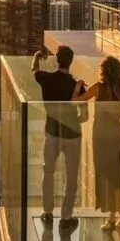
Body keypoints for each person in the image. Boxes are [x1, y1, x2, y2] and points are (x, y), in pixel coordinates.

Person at [72, 56, 120, 231]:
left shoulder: (98, 88)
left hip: (101, 137)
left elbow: (77, 101)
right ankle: (116, 217)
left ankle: (119, 217)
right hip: (118, 137)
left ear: (103, 72)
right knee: (115, 177)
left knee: (106, 177)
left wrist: (77, 86)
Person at [32, 46, 81, 230]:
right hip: (72, 134)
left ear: (57, 60)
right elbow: (84, 116)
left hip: (52, 132)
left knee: (48, 171)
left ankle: (47, 212)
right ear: (71, 62)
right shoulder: (76, 85)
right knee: (72, 175)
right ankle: (66, 217)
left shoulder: (46, 79)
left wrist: (37, 56)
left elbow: (34, 70)